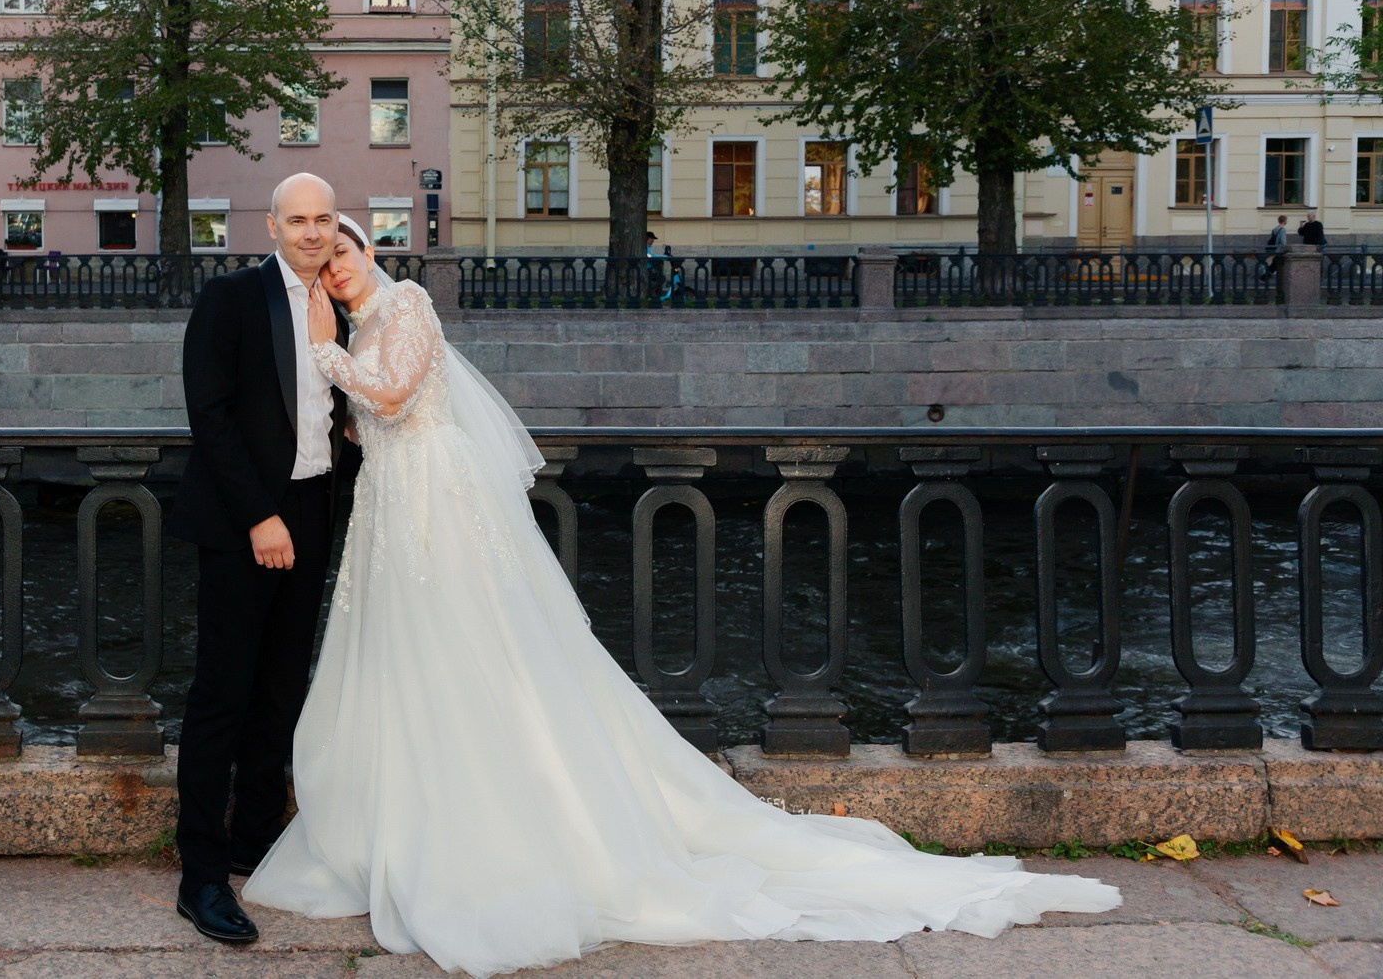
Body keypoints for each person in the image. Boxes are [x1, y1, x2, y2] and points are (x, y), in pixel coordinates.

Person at [240, 219, 1120, 977]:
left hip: (439, 502)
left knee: (485, 652)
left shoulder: (407, 307)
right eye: (326, 263)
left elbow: (394, 392)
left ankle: (515, 830)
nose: (338, 266)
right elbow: (363, 419)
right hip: (390, 510)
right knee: (404, 662)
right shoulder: (353, 329)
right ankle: (409, 818)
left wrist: (323, 352)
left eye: (346, 249)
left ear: (367, 250)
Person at [167, 173, 351, 946]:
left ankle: (252, 839)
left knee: (282, 687)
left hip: (315, 511)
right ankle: (201, 875)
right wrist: (260, 516)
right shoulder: (231, 299)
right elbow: (208, 414)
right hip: (251, 521)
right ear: (271, 226)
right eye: (297, 219)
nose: (312, 231)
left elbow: (339, 411)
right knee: (223, 695)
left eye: (323, 219)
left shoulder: (343, 301)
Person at [1264, 215, 1290, 281]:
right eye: (1286, 220)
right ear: (1284, 221)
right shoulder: (1282, 230)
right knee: (1276, 265)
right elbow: (1283, 242)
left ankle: (1264, 278)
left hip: (1273, 249)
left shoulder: (1275, 229)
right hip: (1279, 250)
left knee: (1274, 264)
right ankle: (1264, 278)